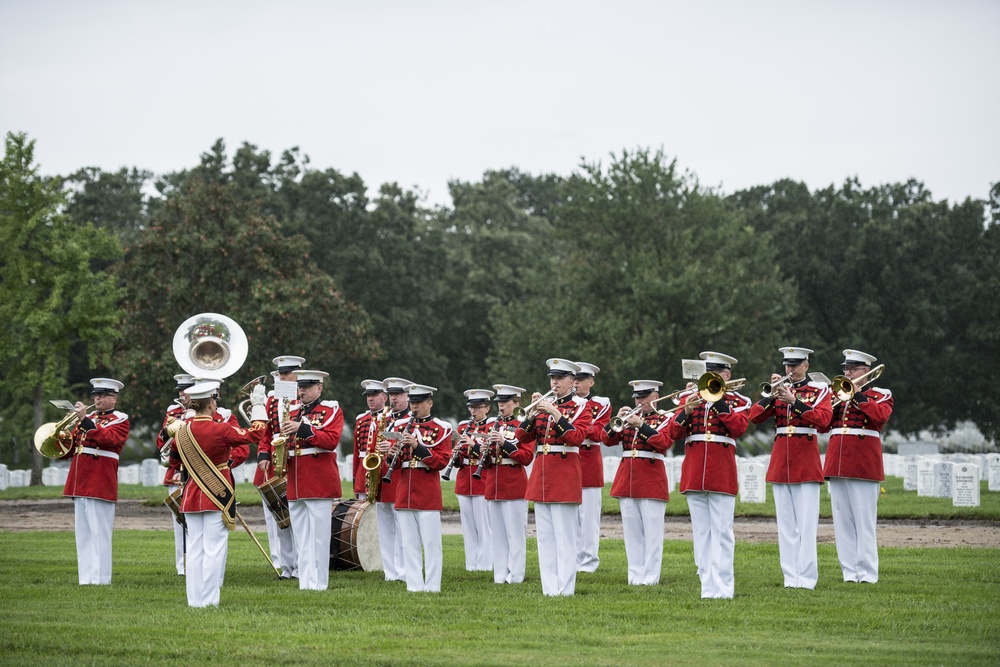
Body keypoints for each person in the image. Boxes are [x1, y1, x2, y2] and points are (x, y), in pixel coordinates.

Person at [166, 380, 267, 607]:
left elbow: (172, 461)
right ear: (212, 404)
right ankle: (209, 601)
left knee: (193, 551)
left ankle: (194, 600)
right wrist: (259, 406)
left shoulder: (182, 432)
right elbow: (256, 433)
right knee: (214, 550)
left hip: (191, 495)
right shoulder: (221, 429)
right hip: (216, 494)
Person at [665, 352, 750, 599]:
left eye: (715, 372)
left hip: (721, 471)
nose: (710, 376)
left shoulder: (738, 399)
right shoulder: (688, 398)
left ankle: (723, 589)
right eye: (707, 371)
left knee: (722, 532)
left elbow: (739, 428)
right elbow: (672, 433)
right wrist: (686, 411)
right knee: (701, 533)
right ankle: (707, 586)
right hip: (694, 471)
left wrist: (719, 400)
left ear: (727, 375)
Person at [749, 346, 832, 590]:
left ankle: (806, 579)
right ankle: (790, 577)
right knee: (785, 527)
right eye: (787, 365)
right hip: (780, 462)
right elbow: (753, 418)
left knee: (806, 527)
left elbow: (824, 420)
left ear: (806, 365)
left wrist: (795, 402)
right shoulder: (778, 391)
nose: (790, 370)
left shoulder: (819, 390)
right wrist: (770, 396)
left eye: (795, 365)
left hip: (806, 461)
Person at [515, 358, 593, 596]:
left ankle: (565, 588)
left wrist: (556, 413)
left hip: (565, 473)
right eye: (552, 378)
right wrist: (532, 411)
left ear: (572, 381)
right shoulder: (544, 405)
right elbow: (521, 436)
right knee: (545, 538)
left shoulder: (582, 406)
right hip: (542, 473)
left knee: (565, 537)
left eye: (559, 378)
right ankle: (549, 588)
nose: (555, 382)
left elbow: (576, 437)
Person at [821, 349, 893, 584]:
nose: (847, 373)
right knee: (842, 522)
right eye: (846, 369)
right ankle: (849, 572)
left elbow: (880, 417)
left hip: (863, 463)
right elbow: (823, 425)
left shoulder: (880, 394)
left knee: (864, 522)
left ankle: (868, 573)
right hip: (837, 462)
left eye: (852, 370)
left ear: (866, 372)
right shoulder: (838, 396)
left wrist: (858, 395)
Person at [60, 378, 131, 586]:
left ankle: (101, 579)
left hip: (100, 479)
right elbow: (72, 446)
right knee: (82, 534)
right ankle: (86, 578)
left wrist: (84, 421)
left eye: (102, 395)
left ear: (113, 398)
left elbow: (109, 440)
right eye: (95, 395)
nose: (97, 399)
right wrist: (60, 440)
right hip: (79, 479)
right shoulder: (88, 418)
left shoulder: (120, 419)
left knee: (100, 532)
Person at [278, 369, 344, 591]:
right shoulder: (292, 410)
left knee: (318, 537)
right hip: (296, 478)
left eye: (307, 386)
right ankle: (305, 583)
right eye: (300, 386)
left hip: (318, 479)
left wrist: (302, 428)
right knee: (301, 538)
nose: (302, 390)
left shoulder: (331, 410)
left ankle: (319, 583)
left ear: (320, 388)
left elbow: (331, 440)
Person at [602, 380, 670, 586]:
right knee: (631, 533)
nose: (639, 401)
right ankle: (635, 575)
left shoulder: (665, 418)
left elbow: (663, 443)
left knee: (652, 533)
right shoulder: (629, 418)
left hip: (651, 478)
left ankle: (650, 577)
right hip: (627, 478)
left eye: (643, 397)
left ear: (655, 397)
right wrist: (617, 421)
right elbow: (606, 439)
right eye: (637, 398)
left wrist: (642, 425)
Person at [386, 383, 453, 593]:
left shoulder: (441, 428)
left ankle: (432, 586)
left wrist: (417, 447)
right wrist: (391, 455)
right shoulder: (399, 427)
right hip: (405, 489)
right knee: (409, 543)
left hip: (427, 490)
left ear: (429, 403)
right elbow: (396, 464)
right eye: (412, 403)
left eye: (419, 403)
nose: (414, 407)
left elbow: (441, 461)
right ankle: (414, 585)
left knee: (431, 544)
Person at [255, 355, 304, 580]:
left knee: (299, 516)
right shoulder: (272, 398)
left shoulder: (305, 397)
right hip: (276, 458)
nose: (283, 377)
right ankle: (285, 566)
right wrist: (263, 454)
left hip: (297, 458)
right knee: (277, 516)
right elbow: (265, 431)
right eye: (281, 374)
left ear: (298, 375)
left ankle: (301, 563)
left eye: (287, 373)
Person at [484, 384, 531, 584]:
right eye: (499, 403)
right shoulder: (491, 425)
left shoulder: (524, 425)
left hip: (514, 481)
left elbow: (527, 456)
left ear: (517, 403)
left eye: (505, 402)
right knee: (498, 534)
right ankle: (500, 574)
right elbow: (484, 461)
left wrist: (505, 444)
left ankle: (517, 575)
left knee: (515, 534)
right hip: (494, 482)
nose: (501, 407)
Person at [155, 373, 196, 576]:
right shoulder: (173, 412)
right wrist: (168, 431)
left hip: (198, 471)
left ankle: (196, 562)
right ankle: (182, 566)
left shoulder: (205, 412)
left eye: (185, 390)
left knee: (197, 519)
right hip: (176, 472)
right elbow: (160, 443)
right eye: (180, 390)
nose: (181, 394)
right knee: (179, 522)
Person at [573, 361, 611, 573]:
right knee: (570, 515)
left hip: (588, 460)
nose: (576, 383)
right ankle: (573, 557)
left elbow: (599, 433)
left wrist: (576, 426)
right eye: (574, 379)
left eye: (581, 380)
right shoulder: (560, 403)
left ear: (591, 382)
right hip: (567, 461)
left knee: (588, 518)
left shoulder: (600, 403)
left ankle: (588, 561)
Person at [376, 376, 413, 582]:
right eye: (391, 395)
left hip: (399, 477)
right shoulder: (385, 419)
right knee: (385, 529)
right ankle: (390, 571)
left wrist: (388, 449)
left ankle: (403, 570)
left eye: (398, 395)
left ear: (407, 396)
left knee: (402, 528)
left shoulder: (411, 421)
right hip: (382, 477)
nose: (394, 399)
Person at [454, 388, 494, 571]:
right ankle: (471, 564)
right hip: (464, 480)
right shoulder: (463, 427)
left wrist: (474, 445)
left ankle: (485, 564)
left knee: (484, 526)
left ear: (487, 408)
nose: (473, 411)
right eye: (471, 407)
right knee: (468, 526)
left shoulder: (492, 427)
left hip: (483, 480)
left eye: (478, 407)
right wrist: (456, 454)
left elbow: (489, 456)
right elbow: (459, 457)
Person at [352, 379, 389, 502]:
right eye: (368, 395)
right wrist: (355, 480)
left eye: (374, 395)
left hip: (383, 472)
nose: (370, 399)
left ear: (384, 398)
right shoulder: (361, 420)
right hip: (363, 474)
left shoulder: (390, 418)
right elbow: (357, 453)